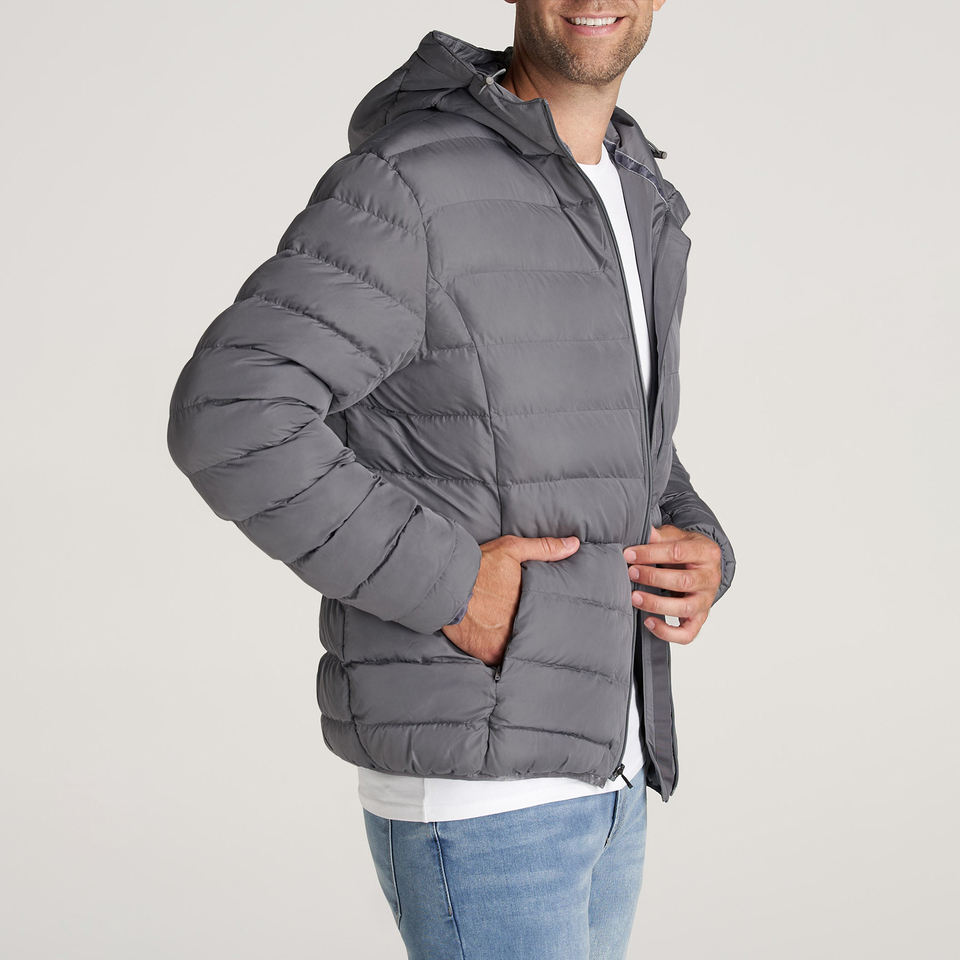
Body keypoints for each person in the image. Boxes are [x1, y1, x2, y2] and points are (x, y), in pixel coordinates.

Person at [166, 2, 736, 957]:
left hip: (611, 769)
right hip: (482, 788)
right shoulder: (414, 182)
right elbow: (232, 411)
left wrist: (697, 536)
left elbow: (607, 427)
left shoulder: (632, 187)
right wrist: (452, 584)